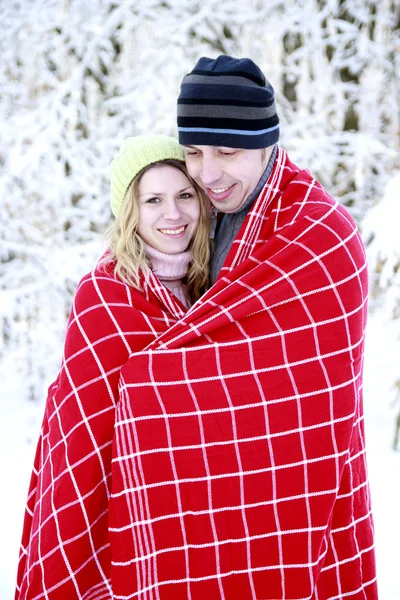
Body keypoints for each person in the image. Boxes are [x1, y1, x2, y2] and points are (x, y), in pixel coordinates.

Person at [107, 57, 378, 599]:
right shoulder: (207, 215)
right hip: (195, 501)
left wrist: (147, 385)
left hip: (290, 499)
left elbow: (294, 399)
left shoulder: (319, 236)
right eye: (194, 152)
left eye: (226, 151)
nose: (206, 174)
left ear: (265, 145)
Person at [15, 135, 210, 599]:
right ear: (130, 211)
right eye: (154, 200)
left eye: (185, 195)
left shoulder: (218, 290)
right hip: (121, 506)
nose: (173, 214)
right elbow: (81, 431)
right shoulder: (104, 295)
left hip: (198, 502)